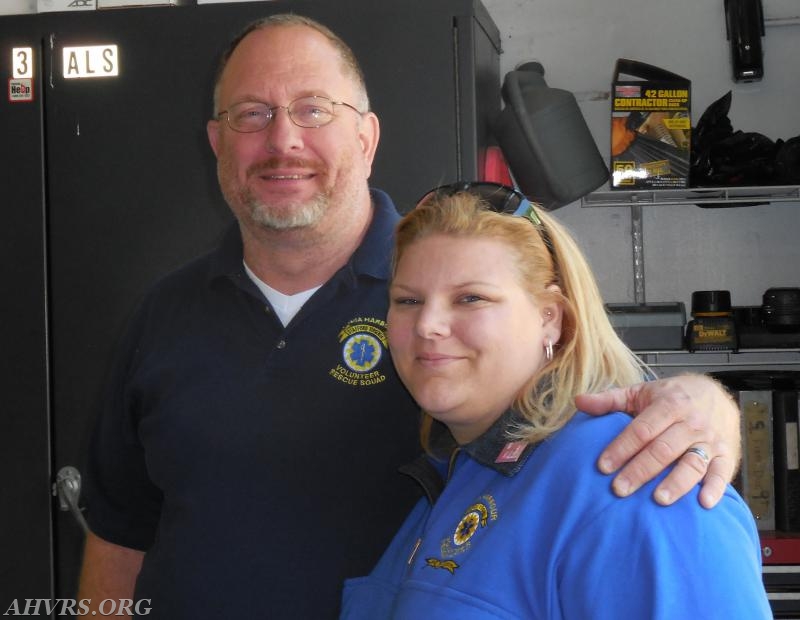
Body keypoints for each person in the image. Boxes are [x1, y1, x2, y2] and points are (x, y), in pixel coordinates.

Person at [78, 15, 743, 619]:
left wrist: (707, 405)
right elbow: (120, 534)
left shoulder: (446, 290)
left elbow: (594, 387)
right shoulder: (164, 314)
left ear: (366, 137)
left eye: (314, 109)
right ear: (217, 142)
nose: (283, 139)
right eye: (252, 115)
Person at [340, 184, 771, 619]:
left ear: (551, 317)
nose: (428, 324)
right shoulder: (456, 474)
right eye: (408, 301)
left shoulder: (634, 478)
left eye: (471, 298)